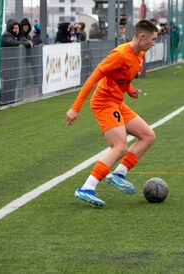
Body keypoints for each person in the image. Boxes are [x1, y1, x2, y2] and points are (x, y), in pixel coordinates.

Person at [65, 20, 159, 207]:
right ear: (142, 37)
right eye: (153, 39)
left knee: (148, 135)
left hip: (117, 103)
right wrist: (75, 108)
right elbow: (94, 78)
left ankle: (118, 174)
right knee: (120, 146)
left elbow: (122, 78)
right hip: (104, 103)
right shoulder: (120, 54)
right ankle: (86, 188)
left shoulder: (139, 54)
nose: (154, 43)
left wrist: (130, 89)